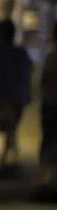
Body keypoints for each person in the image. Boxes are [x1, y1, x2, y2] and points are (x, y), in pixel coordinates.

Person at [0, 20, 32, 168]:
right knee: (12, 127)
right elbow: (28, 73)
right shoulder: (21, 52)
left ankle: (10, 159)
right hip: (19, 95)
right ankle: (10, 158)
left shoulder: (0, 52)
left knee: (9, 128)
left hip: (7, 95)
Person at [39, 22, 57, 196]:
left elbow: (44, 82)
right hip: (51, 104)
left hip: (50, 104)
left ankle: (45, 180)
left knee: (48, 142)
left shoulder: (51, 57)